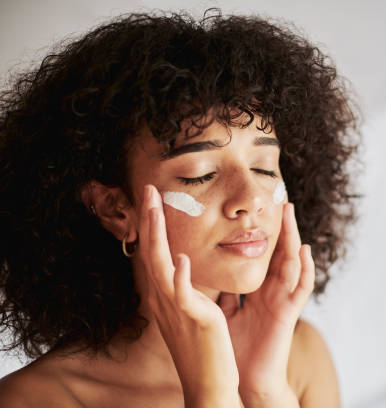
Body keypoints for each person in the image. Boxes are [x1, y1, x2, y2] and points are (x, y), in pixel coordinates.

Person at [0, 8, 359, 407]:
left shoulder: (298, 357)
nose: (251, 199)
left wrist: (263, 387)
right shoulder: (35, 400)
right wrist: (213, 393)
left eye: (263, 167)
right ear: (115, 209)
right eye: (200, 175)